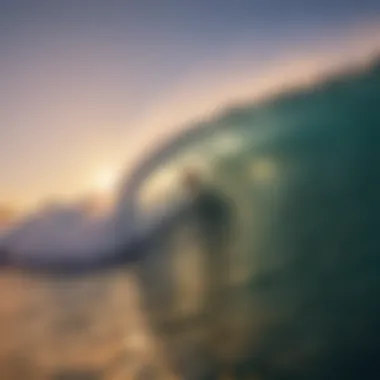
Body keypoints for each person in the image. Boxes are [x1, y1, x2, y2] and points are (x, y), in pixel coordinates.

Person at [181, 168, 234, 312]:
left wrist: (221, 231)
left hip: (215, 238)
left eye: (189, 184)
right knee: (213, 265)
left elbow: (223, 211)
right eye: (187, 184)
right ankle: (217, 293)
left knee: (216, 264)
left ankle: (219, 295)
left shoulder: (205, 197)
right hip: (210, 239)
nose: (188, 188)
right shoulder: (197, 199)